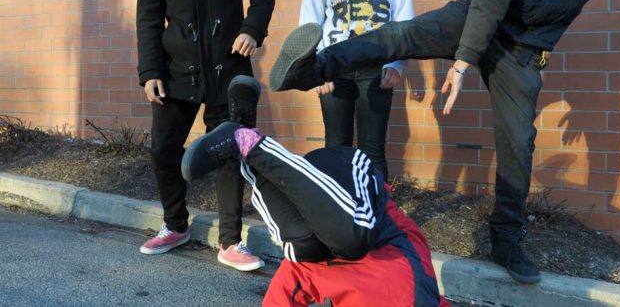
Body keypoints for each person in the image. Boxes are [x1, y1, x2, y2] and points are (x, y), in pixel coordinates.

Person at [268, 0, 620, 284]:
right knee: (399, 36)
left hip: (521, 47)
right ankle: (315, 68)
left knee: (518, 141)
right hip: (475, 17)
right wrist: (463, 61)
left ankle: (507, 240)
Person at [181, 76, 451, 307]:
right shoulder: (412, 292)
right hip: (351, 184)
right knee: (352, 240)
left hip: (317, 211)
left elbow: (293, 281)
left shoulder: (313, 262)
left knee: (302, 245)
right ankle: (250, 143)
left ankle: (243, 137)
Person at [135, 0, 275, 271]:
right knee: (164, 149)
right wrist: (150, 71)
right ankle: (176, 225)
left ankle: (230, 241)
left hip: (228, 66)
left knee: (230, 152)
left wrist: (252, 29)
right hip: (174, 70)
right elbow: (149, 14)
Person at [300, 0, 414, 180]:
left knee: (372, 150)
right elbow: (309, 26)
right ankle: (338, 211)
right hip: (333, 69)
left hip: (376, 69)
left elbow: (404, 20)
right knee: (336, 146)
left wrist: (397, 64)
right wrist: (317, 72)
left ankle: (377, 212)